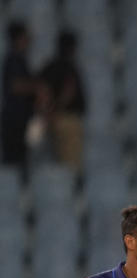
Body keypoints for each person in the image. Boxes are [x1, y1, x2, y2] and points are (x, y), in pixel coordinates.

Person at [37, 30, 85, 169]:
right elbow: (68, 92)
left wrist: (47, 113)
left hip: (50, 119)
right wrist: (56, 110)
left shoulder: (49, 67)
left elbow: (41, 92)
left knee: (55, 162)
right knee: (70, 165)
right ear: (72, 48)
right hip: (66, 119)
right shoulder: (68, 67)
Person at [1, 21, 35, 168]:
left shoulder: (20, 59)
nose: (28, 40)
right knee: (13, 163)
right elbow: (15, 86)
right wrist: (37, 87)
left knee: (20, 160)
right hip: (14, 120)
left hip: (21, 119)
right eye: (25, 37)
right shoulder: (13, 59)